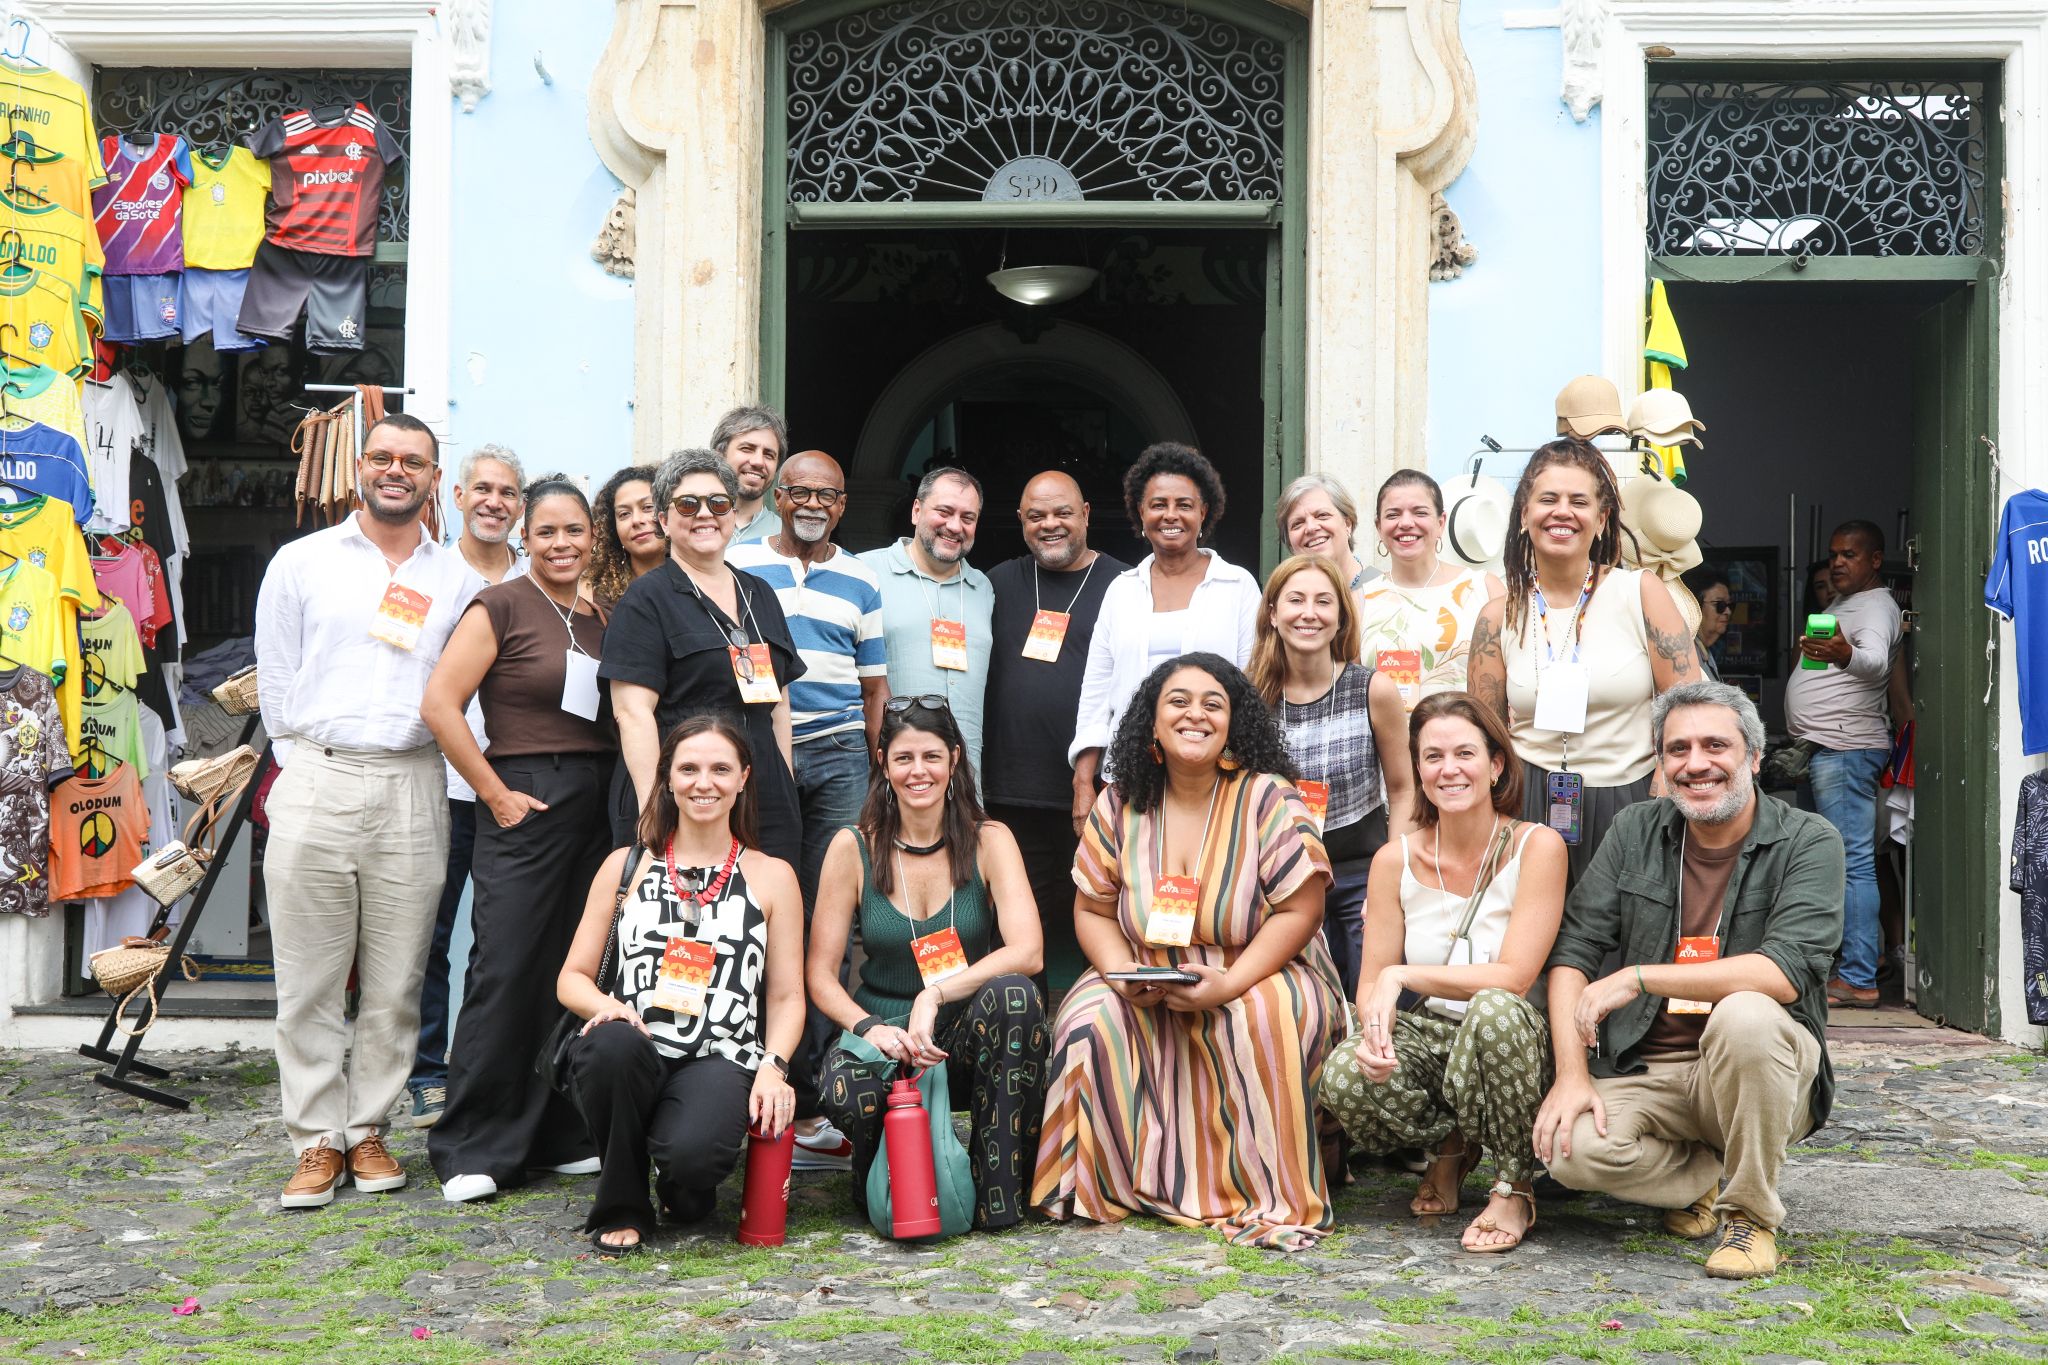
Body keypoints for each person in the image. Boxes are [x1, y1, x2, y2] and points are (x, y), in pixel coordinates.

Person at [1032, 654, 1347, 1251]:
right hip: (1142, 965)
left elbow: (1301, 912)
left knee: (1266, 1016)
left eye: (1213, 704)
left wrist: (1229, 983)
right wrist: (1121, 976)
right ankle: (1109, 1185)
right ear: (1151, 722)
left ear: (1233, 723)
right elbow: (1092, 911)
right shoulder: (1119, 801)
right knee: (1087, 1020)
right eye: (1177, 701)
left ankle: (1267, 1192)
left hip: (1260, 964)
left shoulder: (1268, 797)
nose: (1195, 714)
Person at [1533, 680, 1845, 1280]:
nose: (1696, 764)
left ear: (1754, 757)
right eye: (1678, 749)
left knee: (1746, 1014)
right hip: (1650, 1071)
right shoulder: (1635, 830)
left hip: (1759, 1069)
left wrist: (1640, 978)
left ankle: (1750, 1217)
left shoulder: (1808, 840)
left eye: (1715, 746)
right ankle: (1701, 1173)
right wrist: (1571, 1076)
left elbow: (1785, 971)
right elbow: (1574, 949)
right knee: (1570, 1152)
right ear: (1661, 763)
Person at [255, 412, 485, 1208]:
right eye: (383, 456)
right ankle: (316, 1138)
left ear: (433, 479)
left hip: (414, 781)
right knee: (309, 977)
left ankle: (369, 1127)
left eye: (413, 461)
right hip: (316, 774)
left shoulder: (457, 579)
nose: (396, 470)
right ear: (360, 466)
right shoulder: (302, 561)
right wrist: (300, 767)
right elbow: (275, 679)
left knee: (397, 976)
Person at [421, 478, 616, 1202]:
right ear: (524, 538)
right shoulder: (499, 604)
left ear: (592, 538)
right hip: (526, 797)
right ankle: (471, 1144)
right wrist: (495, 794)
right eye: (547, 531)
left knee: (576, 967)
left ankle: (559, 1131)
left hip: (597, 803)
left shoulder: (602, 616)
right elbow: (440, 705)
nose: (562, 544)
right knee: (505, 967)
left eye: (575, 530)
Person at [1318, 693, 1567, 1253]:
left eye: (1464, 754)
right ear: (1418, 770)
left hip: (1517, 1041)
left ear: (1496, 765)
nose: (1448, 769)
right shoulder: (1394, 859)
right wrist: (1376, 1037)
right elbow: (1372, 985)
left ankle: (1513, 1184)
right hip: (1433, 1034)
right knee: (1344, 1074)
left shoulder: (1537, 846)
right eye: (1433, 757)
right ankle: (1450, 1148)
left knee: (1495, 1009)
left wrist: (1404, 976)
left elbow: (1514, 977)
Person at [556, 716, 806, 1254]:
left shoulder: (773, 875)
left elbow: (787, 997)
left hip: (721, 1055)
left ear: (743, 778)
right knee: (608, 1048)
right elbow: (571, 979)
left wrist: (774, 1066)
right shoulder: (626, 867)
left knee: (694, 1161)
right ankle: (623, 1203)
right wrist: (609, 1008)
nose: (703, 783)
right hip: (635, 1044)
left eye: (720, 769)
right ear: (667, 777)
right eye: (688, 769)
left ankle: (681, 1180)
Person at [809, 698, 1049, 1230]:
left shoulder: (990, 840)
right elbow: (820, 975)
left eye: (932, 756)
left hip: (964, 1033)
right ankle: (880, 1175)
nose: (918, 771)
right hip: (885, 1037)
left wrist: (934, 993)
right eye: (904, 758)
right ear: (882, 763)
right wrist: (869, 1029)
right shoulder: (853, 847)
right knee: (844, 1087)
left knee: (1016, 995)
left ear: (955, 759)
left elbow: (1028, 950)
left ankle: (997, 1196)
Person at [725, 448, 885, 1170]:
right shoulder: (742, 563)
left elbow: (874, 686)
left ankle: (818, 1095)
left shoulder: (862, 579)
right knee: (758, 906)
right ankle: (754, 1075)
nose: (814, 504)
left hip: (844, 753)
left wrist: (876, 768)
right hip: (764, 750)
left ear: (843, 505)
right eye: (801, 492)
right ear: (779, 498)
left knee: (830, 918)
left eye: (828, 495)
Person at [1468, 438, 1699, 884]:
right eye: (1548, 499)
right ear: (1524, 515)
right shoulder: (1497, 616)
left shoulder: (1640, 593)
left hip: (1631, 799)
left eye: (1578, 501)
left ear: (1602, 518)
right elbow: (1484, 734)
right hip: (1527, 803)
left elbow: (1690, 706)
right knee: (1536, 925)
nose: (1562, 512)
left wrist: (1664, 785)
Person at [602, 450, 808, 866]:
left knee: (770, 902)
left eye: (717, 503)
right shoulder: (646, 599)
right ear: (664, 520)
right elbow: (632, 713)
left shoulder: (761, 594)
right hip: (684, 795)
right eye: (687, 504)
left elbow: (779, 705)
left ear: (731, 513)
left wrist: (782, 781)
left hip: (764, 795)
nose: (704, 514)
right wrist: (653, 808)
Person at [405, 443, 527, 1128]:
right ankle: (427, 1071)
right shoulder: (424, 574)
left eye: (507, 492)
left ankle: (489, 1069)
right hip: (438, 783)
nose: (494, 502)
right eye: (483, 489)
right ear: (456, 495)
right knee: (429, 935)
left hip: (516, 788)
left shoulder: (538, 574)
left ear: (521, 505)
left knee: (501, 939)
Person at [984, 470, 1129, 990]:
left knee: (1104, 919)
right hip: (1008, 793)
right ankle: (1029, 1032)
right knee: (1019, 931)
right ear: (1020, 521)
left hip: (1100, 793)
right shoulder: (996, 583)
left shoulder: (1125, 585)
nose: (1050, 524)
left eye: (1063, 512)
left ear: (1086, 514)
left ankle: (1098, 1029)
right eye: (1037, 515)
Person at [1247, 553, 1414, 999]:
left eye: (1323, 602)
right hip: (1281, 877)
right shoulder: (1250, 699)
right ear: (1273, 613)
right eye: (1295, 600)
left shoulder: (1373, 689)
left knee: (1373, 997)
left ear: (1341, 617)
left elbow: (1403, 790)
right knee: (1294, 1004)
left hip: (1363, 871)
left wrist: (1391, 881)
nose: (1309, 613)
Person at [1069, 443, 1259, 797]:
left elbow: (1253, 686)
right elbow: (1096, 693)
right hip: (1128, 776)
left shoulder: (1237, 586)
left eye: (1183, 505)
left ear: (1203, 511)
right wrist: (1083, 781)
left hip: (1214, 777)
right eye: (1158, 505)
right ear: (1141, 511)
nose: (1171, 515)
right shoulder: (1122, 590)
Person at [1784, 521, 1900, 1010]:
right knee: (1826, 864)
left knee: (1851, 864)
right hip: (1824, 749)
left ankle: (1858, 977)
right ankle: (1841, 968)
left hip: (1846, 750)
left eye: (1849, 554)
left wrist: (1845, 652)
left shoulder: (1875, 605)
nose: (1837, 562)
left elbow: (1875, 663)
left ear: (1874, 560)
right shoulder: (1842, 604)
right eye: (1834, 554)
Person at [858, 467, 994, 778]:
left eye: (968, 517)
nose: (955, 526)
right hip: (892, 773)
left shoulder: (983, 588)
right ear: (916, 511)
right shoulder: (865, 572)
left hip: (965, 776)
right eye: (944, 512)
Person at [1354, 470, 1504, 707]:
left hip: (1468, 730)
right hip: (1386, 732)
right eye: (1393, 514)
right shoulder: (1360, 600)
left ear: (1440, 522)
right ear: (1379, 526)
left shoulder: (1485, 589)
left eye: (1420, 513)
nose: (1405, 523)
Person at [1275, 472, 1375, 599]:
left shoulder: (1386, 594)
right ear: (1289, 542)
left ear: (1348, 524)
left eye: (1322, 515)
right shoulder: (1282, 599)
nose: (1311, 528)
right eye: (1297, 523)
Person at [588, 465, 666, 610]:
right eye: (624, 514)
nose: (636, 520)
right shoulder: (600, 596)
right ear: (613, 528)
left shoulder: (697, 580)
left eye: (648, 507)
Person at [712, 404, 788, 545]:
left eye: (769, 455)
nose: (758, 462)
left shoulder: (787, 537)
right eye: (747, 449)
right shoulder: (694, 526)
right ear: (720, 455)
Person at [1683, 566, 1731, 683]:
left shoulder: (1705, 651)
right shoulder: (1684, 654)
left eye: (1730, 605)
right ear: (1696, 606)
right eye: (1720, 605)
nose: (1728, 611)